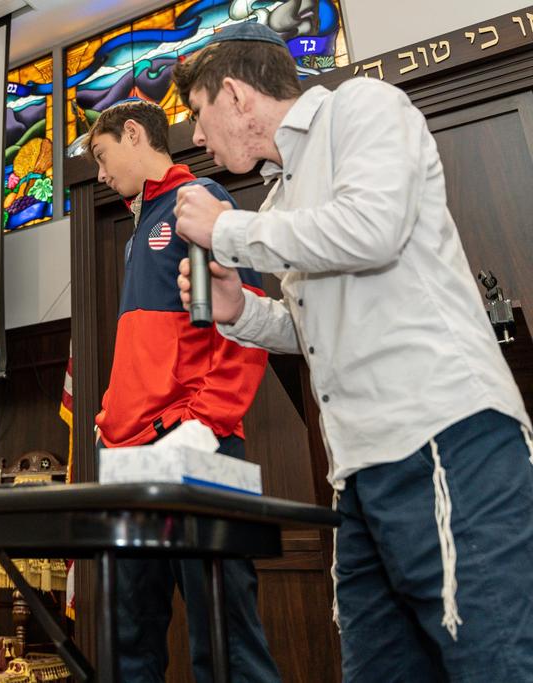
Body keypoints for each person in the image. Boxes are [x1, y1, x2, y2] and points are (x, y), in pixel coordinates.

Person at [172, 22, 533, 681]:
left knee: (494, 662)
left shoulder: (363, 108)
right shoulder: (282, 195)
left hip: (443, 438)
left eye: (197, 113)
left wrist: (225, 229)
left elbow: (373, 229)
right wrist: (240, 311)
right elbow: (316, 328)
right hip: (360, 475)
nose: (197, 137)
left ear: (235, 95)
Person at [86, 98, 278, 683]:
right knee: (129, 639)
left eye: (101, 155)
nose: (100, 173)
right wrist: (112, 415)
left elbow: (246, 320)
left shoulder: (199, 199)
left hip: (196, 442)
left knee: (224, 637)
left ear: (134, 133)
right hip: (131, 453)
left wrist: (206, 423)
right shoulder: (139, 225)